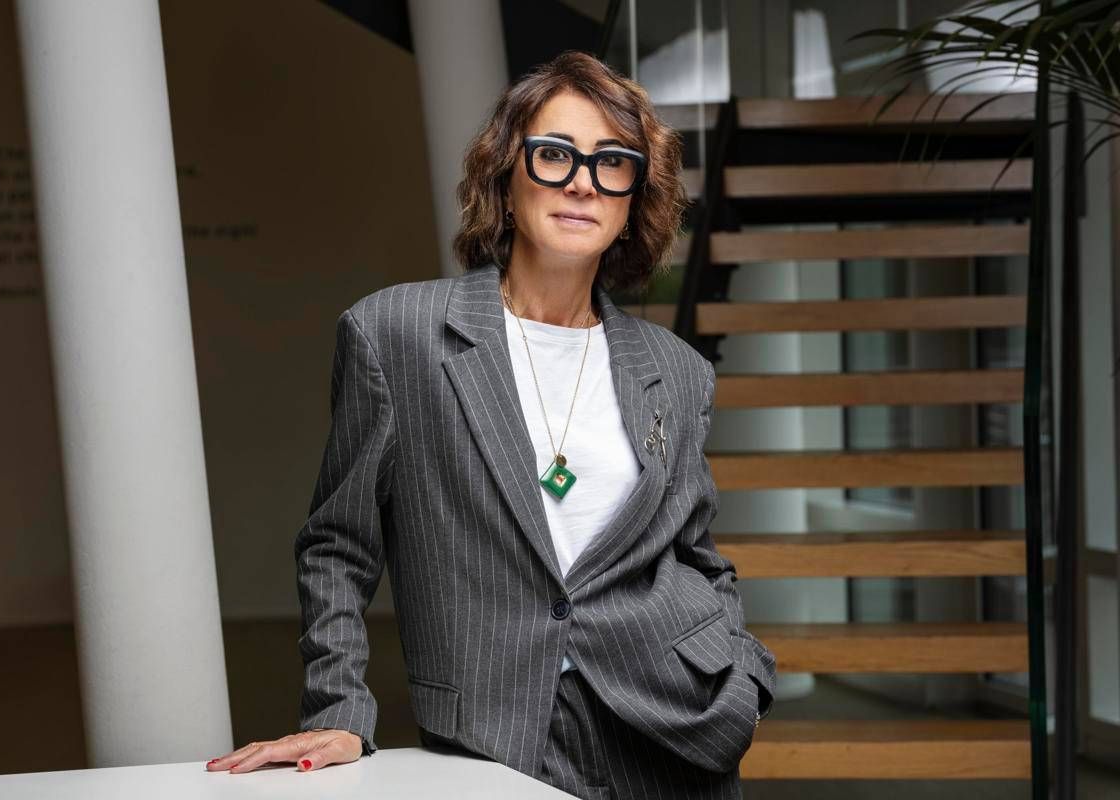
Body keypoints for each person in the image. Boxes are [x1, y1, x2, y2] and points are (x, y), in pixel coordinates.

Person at [207, 50, 775, 799]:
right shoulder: (396, 336)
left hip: (676, 731)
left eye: (612, 162)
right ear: (506, 179)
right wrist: (339, 706)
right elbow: (337, 546)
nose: (583, 181)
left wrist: (744, 679)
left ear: (634, 199)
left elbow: (697, 555)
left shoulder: (677, 369)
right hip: (496, 735)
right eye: (555, 154)